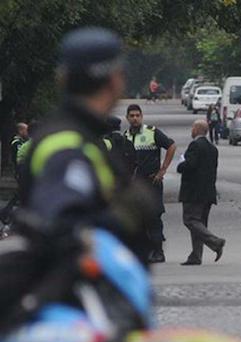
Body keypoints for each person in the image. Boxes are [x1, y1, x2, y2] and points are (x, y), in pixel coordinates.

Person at [2, 27, 158, 310]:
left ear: (62, 79)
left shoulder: (76, 135)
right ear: (115, 80)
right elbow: (63, 225)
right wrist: (123, 215)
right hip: (74, 307)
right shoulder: (67, 144)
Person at [124, 104, 177, 263]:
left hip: (151, 182)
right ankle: (145, 251)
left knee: (154, 216)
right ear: (127, 118)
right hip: (135, 185)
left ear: (141, 116)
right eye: (132, 116)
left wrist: (163, 170)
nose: (135, 118)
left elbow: (171, 146)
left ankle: (159, 251)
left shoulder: (152, 132)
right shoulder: (125, 136)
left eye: (137, 115)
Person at [177, 120, 225, 265]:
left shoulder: (195, 145)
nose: (191, 130)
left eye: (192, 127)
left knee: (190, 220)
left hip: (194, 192)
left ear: (197, 129)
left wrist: (181, 164)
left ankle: (216, 242)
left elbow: (190, 165)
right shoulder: (213, 148)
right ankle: (196, 255)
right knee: (200, 223)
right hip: (208, 191)